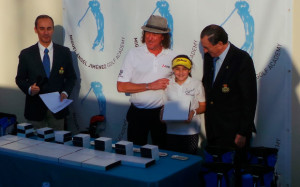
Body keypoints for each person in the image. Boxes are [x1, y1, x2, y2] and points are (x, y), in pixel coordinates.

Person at [200, 24, 257, 184]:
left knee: (234, 174)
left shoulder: (242, 60)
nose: (204, 51)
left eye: (206, 47)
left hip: (234, 133)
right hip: (213, 128)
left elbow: (249, 99)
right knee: (217, 174)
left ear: (220, 44)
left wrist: (243, 132)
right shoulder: (209, 58)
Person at [117, 15, 176, 148]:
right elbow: (121, 86)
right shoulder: (133, 53)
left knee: (164, 153)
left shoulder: (172, 56)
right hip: (138, 114)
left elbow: (180, 86)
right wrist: (150, 86)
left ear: (163, 37)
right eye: (148, 33)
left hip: (162, 114)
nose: (150, 37)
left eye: (155, 34)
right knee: (135, 154)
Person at [15, 15, 77, 130]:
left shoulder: (64, 52)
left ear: (52, 30)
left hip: (58, 111)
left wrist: (65, 93)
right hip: (35, 110)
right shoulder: (26, 54)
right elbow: (20, 79)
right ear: (35, 30)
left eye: (49, 28)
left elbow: (71, 78)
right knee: (35, 146)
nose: (46, 32)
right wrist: (29, 89)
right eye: (42, 28)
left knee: (58, 146)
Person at [164, 55, 206, 154]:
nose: (181, 72)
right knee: (172, 160)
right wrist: (162, 114)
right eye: (177, 69)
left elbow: (203, 106)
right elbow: (163, 105)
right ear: (173, 69)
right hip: (171, 130)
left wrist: (193, 112)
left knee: (188, 160)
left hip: (190, 131)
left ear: (189, 70)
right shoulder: (167, 84)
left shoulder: (197, 84)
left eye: (184, 69)